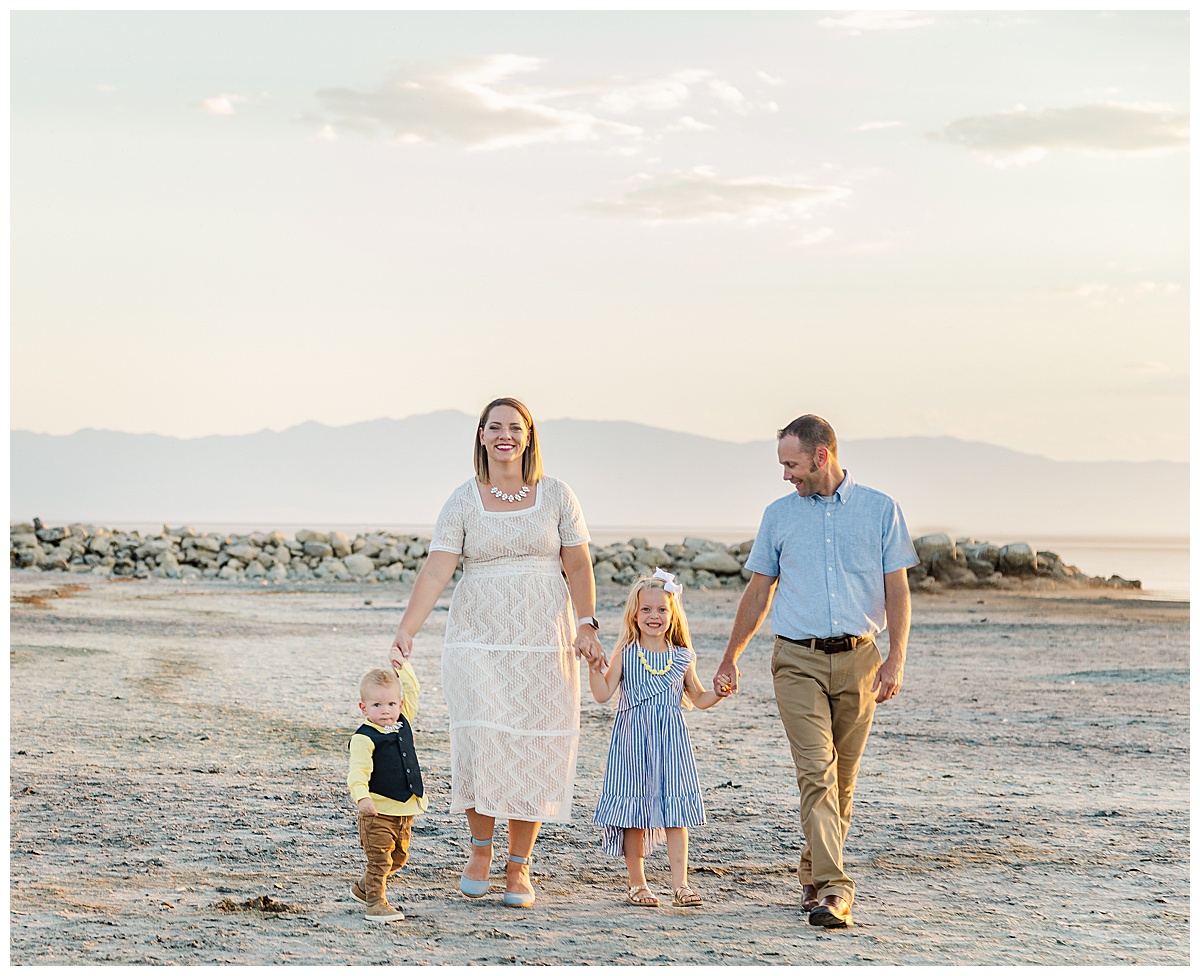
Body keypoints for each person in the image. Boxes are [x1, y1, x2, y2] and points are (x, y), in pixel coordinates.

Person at [388, 397, 604, 908]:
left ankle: (520, 866)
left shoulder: (556, 496)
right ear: (481, 436)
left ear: (529, 436)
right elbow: (438, 569)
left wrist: (587, 623)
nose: (505, 435)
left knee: (532, 745)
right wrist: (406, 630)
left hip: (542, 638)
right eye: (495, 427)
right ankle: (481, 851)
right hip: (477, 637)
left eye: (515, 427)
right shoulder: (463, 500)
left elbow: (577, 564)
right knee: (482, 743)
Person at [712, 414, 917, 929]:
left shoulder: (880, 510)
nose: (786, 475)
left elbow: (897, 591)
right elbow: (759, 592)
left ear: (821, 456)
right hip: (796, 660)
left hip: (861, 660)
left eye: (791, 464)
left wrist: (896, 657)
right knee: (815, 773)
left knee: (842, 780)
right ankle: (835, 889)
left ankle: (811, 873)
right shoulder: (779, 516)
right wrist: (731, 655)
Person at [590, 569, 723, 909]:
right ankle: (638, 883)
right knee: (636, 811)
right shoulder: (627, 653)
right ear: (634, 614)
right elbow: (603, 694)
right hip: (632, 742)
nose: (654, 616)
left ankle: (681, 884)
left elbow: (699, 697)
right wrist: (593, 667)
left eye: (662, 609)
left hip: (671, 742)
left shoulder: (681, 656)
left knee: (675, 813)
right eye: (647, 609)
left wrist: (719, 693)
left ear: (672, 614)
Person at [347, 664, 426, 924]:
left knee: (398, 858)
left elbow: (412, 691)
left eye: (391, 704)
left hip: (405, 809)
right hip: (377, 811)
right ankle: (375, 905)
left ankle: (363, 888)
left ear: (400, 704)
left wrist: (403, 668)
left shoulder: (403, 723)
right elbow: (357, 772)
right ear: (364, 708)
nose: (386, 711)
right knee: (380, 860)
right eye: (377, 705)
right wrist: (362, 798)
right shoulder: (364, 738)